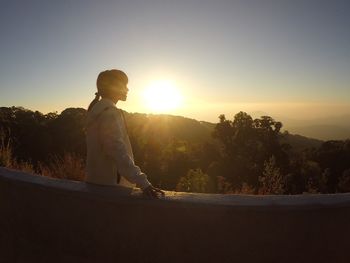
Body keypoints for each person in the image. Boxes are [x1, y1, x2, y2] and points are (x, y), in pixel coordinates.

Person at [85, 69, 164, 198]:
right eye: (124, 85)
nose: (127, 89)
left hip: (95, 182)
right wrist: (143, 182)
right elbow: (117, 151)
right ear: (114, 88)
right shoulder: (110, 113)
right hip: (110, 187)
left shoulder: (96, 111)